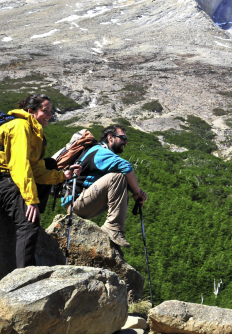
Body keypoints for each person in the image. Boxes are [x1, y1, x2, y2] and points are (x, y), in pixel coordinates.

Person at [0, 94, 81, 268]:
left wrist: (61, 176)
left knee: (50, 164)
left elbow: (34, 167)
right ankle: (24, 279)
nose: (50, 115)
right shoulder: (21, 127)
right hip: (4, 179)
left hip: (9, 176)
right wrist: (30, 200)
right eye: (45, 111)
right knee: (28, 225)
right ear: (31, 111)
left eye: (50, 111)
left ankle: (31, 216)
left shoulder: (32, 129)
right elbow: (20, 167)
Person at [64, 124, 147, 248]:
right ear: (110, 137)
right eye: (123, 138)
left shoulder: (103, 153)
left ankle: (114, 229)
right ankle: (113, 228)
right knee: (118, 176)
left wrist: (136, 191)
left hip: (83, 201)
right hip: (76, 203)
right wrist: (137, 193)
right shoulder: (100, 152)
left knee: (121, 177)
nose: (126, 142)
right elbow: (127, 167)